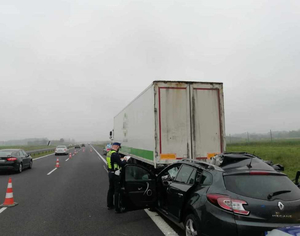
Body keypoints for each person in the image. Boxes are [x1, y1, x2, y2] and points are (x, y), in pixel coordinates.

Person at [106, 142, 127, 212]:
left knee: (111, 189)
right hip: (116, 174)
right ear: (117, 147)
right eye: (119, 147)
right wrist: (125, 160)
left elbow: (113, 162)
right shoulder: (115, 154)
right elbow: (121, 164)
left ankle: (110, 205)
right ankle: (118, 208)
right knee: (117, 190)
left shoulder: (109, 153)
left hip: (110, 173)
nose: (119, 149)